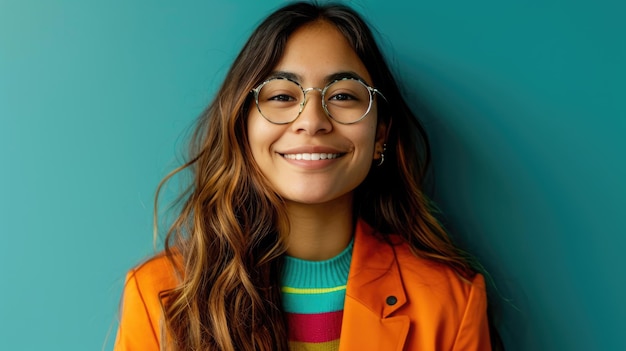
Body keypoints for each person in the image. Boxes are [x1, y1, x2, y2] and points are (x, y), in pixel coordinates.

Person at [114, 2, 496, 350]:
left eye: (344, 96)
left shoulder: (452, 302)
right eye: (281, 96)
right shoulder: (158, 299)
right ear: (242, 129)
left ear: (380, 133)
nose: (312, 121)